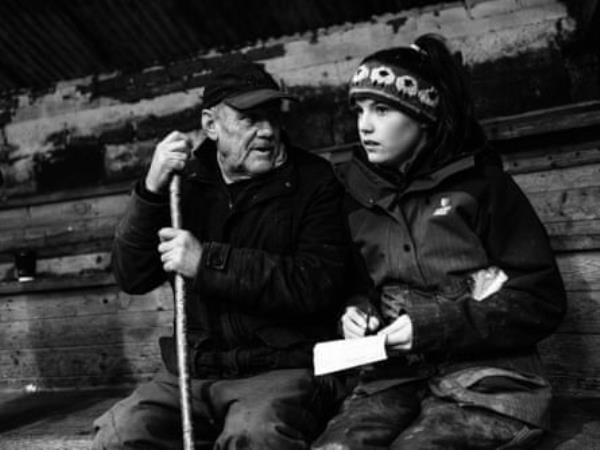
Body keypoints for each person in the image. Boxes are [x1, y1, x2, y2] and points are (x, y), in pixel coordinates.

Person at [312, 34, 567, 450]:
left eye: (382, 109)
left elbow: (540, 299)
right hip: (394, 379)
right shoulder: (356, 199)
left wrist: (433, 325)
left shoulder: (481, 187)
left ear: (423, 115)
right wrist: (355, 311)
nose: (365, 125)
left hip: (489, 382)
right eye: (360, 109)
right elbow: (355, 285)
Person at [92, 61, 349, 449]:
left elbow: (318, 283)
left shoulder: (313, 180)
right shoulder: (184, 183)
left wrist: (206, 262)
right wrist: (149, 190)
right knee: (120, 434)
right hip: (192, 374)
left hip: (279, 370)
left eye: (272, 118)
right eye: (250, 119)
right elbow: (133, 275)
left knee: (254, 437)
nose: (267, 131)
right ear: (211, 125)